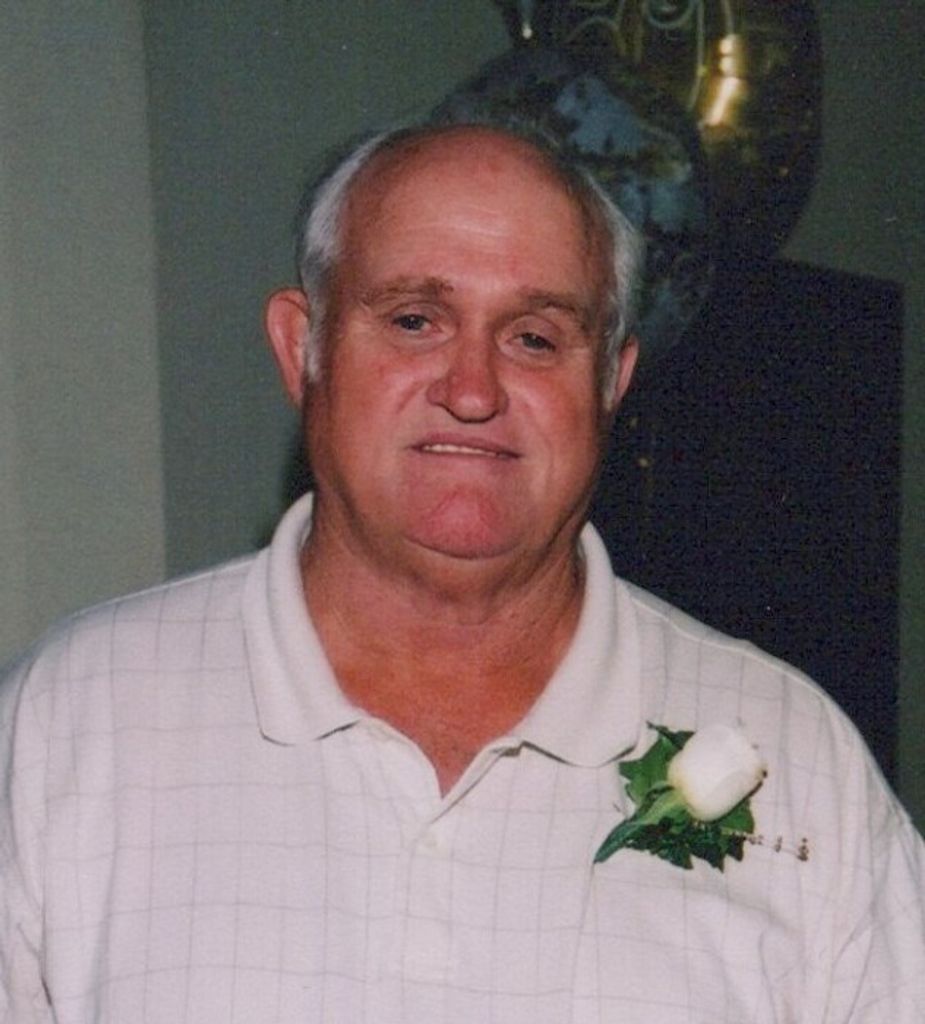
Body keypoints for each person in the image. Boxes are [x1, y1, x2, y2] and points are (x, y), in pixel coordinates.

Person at [1, 117, 923, 1023]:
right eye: (414, 320)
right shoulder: (73, 724)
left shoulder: (800, 764)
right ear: (302, 349)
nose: (473, 391)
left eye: (534, 337)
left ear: (610, 381)